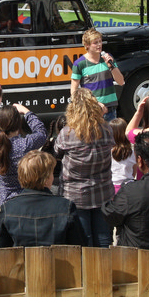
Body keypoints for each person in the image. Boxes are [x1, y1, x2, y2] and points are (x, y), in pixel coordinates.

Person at [55, 88, 114, 247]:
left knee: (83, 242)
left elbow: (56, 152)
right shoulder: (107, 129)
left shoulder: (67, 134)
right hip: (103, 192)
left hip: (75, 195)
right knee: (104, 241)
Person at [0, 150, 85, 248]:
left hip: (21, 258)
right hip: (58, 258)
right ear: (47, 177)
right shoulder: (66, 207)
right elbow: (79, 246)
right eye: (51, 173)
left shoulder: (8, 209)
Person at [0, 104, 47, 204]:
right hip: (27, 198)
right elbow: (41, 132)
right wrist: (27, 112)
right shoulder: (25, 144)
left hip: (6, 201)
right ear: (18, 124)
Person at [70, 28, 125, 121]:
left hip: (110, 109)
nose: (99, 45)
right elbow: (74, 91)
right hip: (92, 111)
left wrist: (111, 67)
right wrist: (93, 104)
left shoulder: (108, 58)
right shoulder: (79, 64)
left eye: (100, 41)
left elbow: (121, 81)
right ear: (87, 45)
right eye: (95, 43)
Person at [109, 117, 137, 192]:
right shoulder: (132, 153)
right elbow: (134, 173)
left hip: (111, 187)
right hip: (129, 187)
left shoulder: (107, 152)